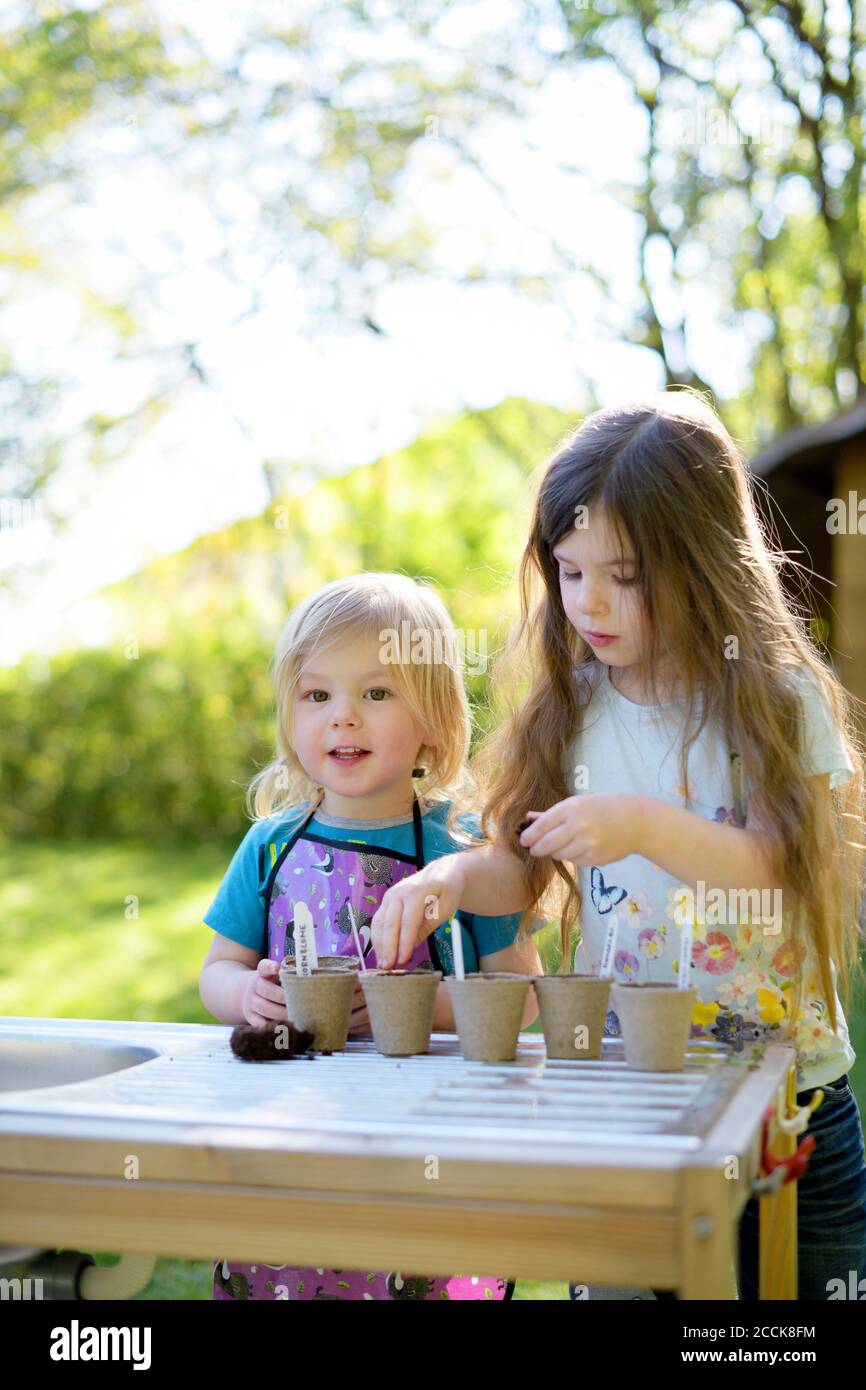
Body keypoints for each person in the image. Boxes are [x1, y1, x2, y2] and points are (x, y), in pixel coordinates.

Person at [371, 389, 866, 1301]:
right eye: (568, 570)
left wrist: (640, 823)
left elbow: (784, 867)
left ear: (705, 564)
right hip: (629, 1094)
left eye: (626, 575)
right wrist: (450, 878)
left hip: (787, 1101)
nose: (589, 602)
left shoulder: (774, 705)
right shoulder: (573, 710)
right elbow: (517, 864)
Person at [200, 571, 542, 1300]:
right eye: (317, 695)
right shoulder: (269, 846)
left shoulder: (463, 854)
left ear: (436, 719)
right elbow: (218, 971)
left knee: (418, 1272)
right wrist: (249, 998)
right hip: (297, 1138)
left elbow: (525, 991)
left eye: (376, 694)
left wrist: (422, 1006)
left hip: (433, 1134)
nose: (342, 718)